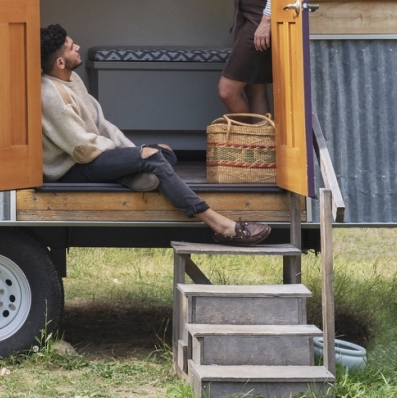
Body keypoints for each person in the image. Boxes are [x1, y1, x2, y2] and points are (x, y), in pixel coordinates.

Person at [40, 24, 271, 245]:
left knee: (165, 152)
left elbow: (101, 123)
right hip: (72, 168)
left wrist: (133, 154)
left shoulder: (73, 79)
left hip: (94, 156)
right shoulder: (50, 94)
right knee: (153, 159)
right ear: (60, 62)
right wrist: (137, 157)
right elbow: (83, 149)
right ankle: (220, 225)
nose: (78, 47)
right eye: (71, 47)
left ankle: (131, 175)